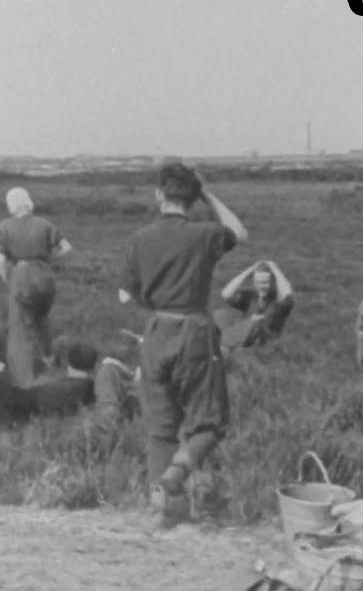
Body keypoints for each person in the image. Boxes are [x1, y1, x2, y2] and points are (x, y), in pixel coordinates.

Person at [117, 162, 248, 528]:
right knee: (209, 420)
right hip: (194, 329)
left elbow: (125, 295)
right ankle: (178, 472)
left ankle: (163, 510)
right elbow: (239, 230)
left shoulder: (139, 238)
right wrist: (207, 194)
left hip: (157, 329)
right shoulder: (204, 234)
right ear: (191, 199)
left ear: (159, 195)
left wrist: (157, 305)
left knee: (160, 427)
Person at [0, 187, 73, 389]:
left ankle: (25, 379)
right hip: (44, 274)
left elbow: (1, 260)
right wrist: (48, 258)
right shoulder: (44, 224)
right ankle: (49, 364)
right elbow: (66, 247)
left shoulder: (5, 227)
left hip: (21, 274)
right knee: (42, 322)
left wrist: (8, 280)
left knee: (20, 329)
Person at [213, 260, 295, 352]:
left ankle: (222, 344)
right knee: (220, 314)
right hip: (243, 333)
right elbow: (226, 294)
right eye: (258, 282)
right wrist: (249, 271)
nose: (261, 286)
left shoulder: (278, 301)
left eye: (265, 282)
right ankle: (225, 342)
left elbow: (288, 294)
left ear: (273, 282)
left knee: (256, 322)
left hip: (262, 337)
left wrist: (275, 270)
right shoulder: (252, 296)